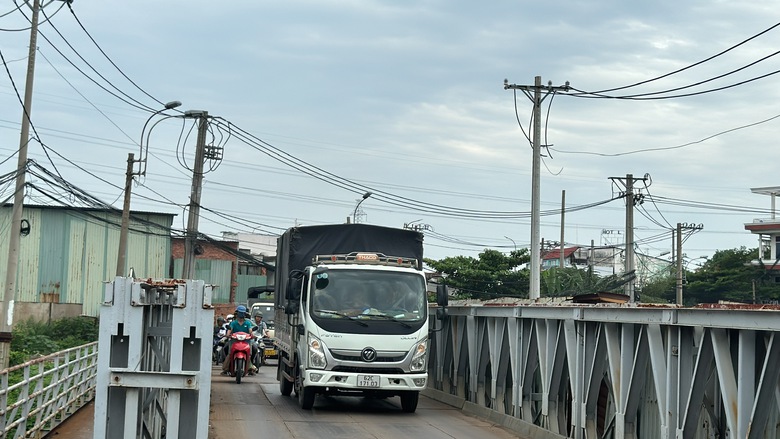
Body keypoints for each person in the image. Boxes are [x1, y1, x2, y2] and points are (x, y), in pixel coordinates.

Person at [221, 306, 257, 375]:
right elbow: (229, 330)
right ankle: (226, 367)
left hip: (246, 341)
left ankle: (250, 367)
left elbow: (250, 330)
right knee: (226, 348)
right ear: (237, 313)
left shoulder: (247, 323)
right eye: (240, 313)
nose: (241, 315)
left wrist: (252, 335)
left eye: (242, 313)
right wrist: (228, 334)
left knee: (254, 348)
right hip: (234, 341)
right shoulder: (233, 323)